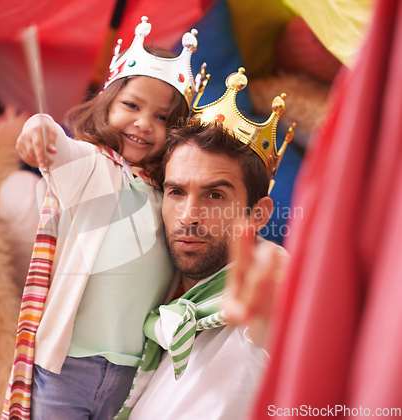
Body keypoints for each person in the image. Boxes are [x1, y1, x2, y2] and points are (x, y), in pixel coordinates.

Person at [2, 16, 206, 420]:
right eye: (132, 105)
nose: (144, 124)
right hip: (66, 366)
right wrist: (39, 129)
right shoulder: (91, 167)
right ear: (107, 104)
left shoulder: (170, 194)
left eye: (164, 118)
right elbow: (57, 145)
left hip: (132, 373)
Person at [115, 70, 293, 420]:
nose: (189, 216)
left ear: (257, 215)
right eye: (176, 192)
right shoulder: (158, 295)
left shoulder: (274, 293)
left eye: (214, 195)